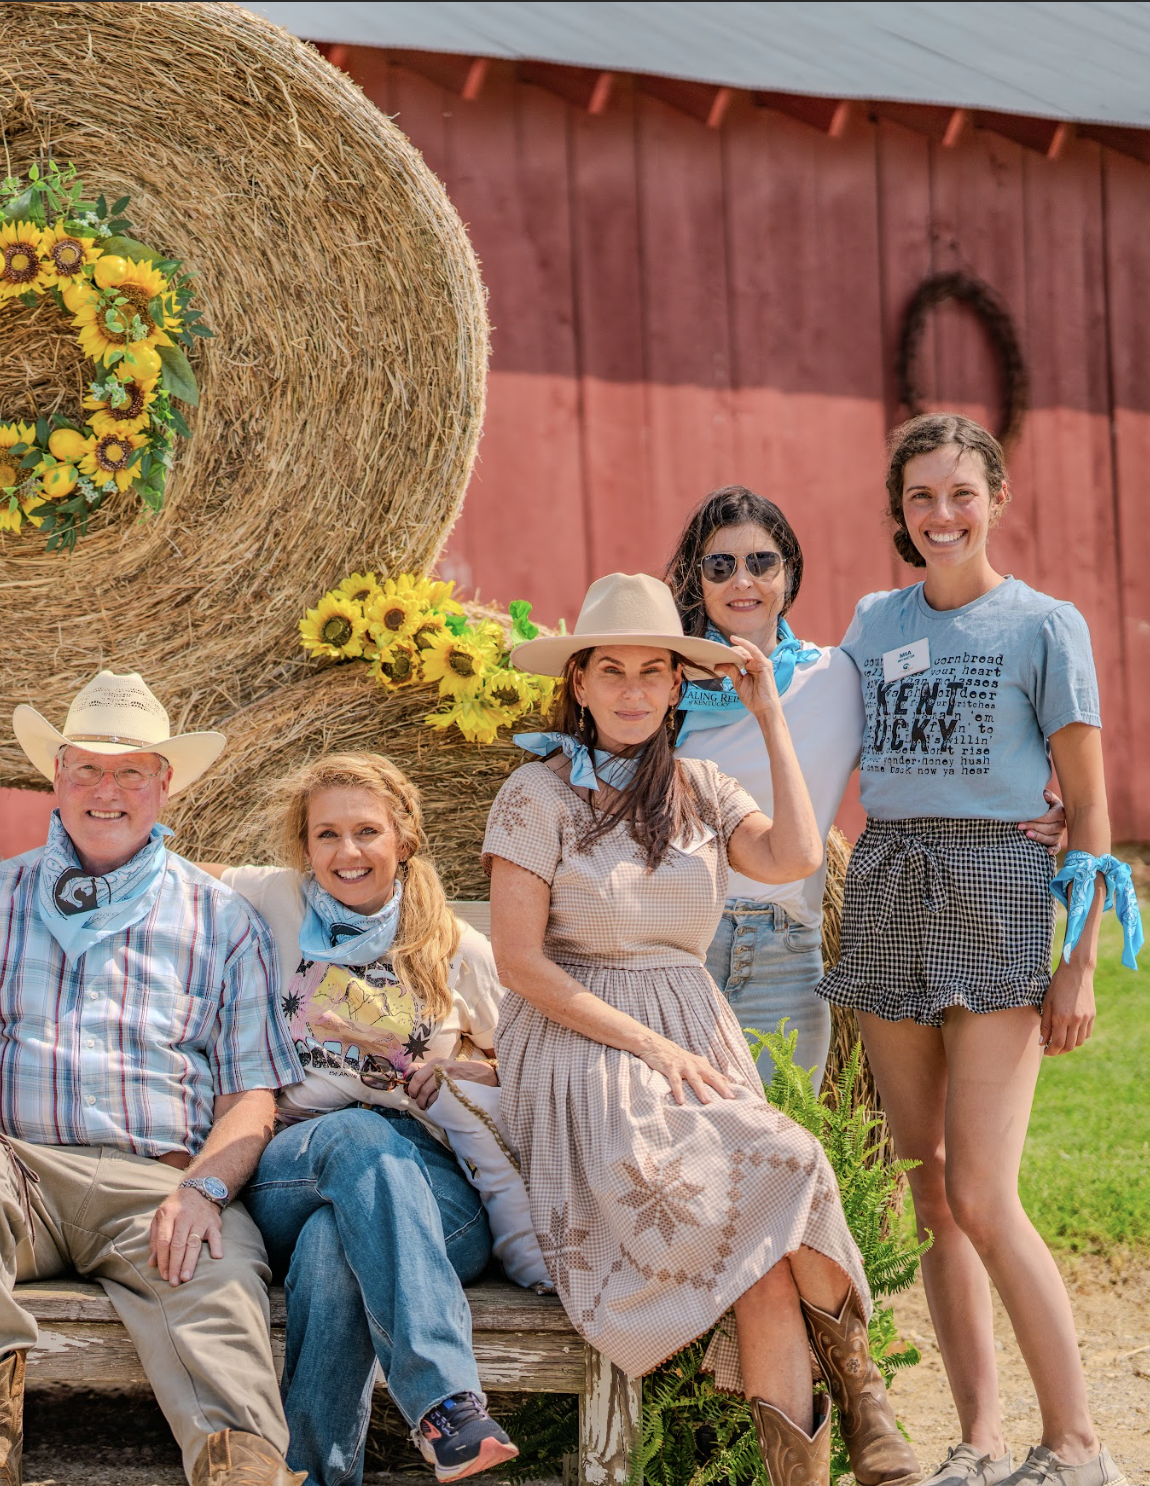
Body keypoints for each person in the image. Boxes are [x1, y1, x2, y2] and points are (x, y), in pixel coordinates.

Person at [482, 573, 918, 1486]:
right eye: (612, 671)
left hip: (693, 1033)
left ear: (680, 684)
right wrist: (647, 1046)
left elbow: (796, 857)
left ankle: (833, 1447)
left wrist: (771, 720)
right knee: (790, 1164)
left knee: (763, 1262)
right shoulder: (537, 793)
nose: (633, 689)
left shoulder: (703, 787)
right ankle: (865, 1390)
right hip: (583, 1046)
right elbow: (520, 964)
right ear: (582, 685)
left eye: (653, 670)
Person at [818, 414, 1134, 1486]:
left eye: (960, 493)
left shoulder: (1045, 626)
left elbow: (1088, 810)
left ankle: (1077, 1442)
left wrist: (1079, 959)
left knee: (986, 1195)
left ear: (994, 498)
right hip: (889, 881)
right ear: (897, 513)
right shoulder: (871, 621)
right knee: (926, 1188)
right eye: (920, 498)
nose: (941, 514)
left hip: (999, 894)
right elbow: (810, 722)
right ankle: (979, 1438)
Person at [0, 670, 305, 1486]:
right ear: (58, 777)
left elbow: (251, 1096)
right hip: (20, 1176)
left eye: (129, 771)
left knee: (218, 1287)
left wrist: (207, 1189)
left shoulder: (222, 919)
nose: (106, 790)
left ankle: (244, 1473)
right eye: (87, 768)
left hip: (160, 1186)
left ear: (164, 783)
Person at [661, 487, 1066, 1090]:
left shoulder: (839, 677)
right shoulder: (662, 685)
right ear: (699, 581)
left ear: (790, 571)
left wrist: (1033, 802)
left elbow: (925, 748)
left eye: (761, 562)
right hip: (677, 942)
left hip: (785, 949)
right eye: (720, 565)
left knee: (778, 1150)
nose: (741, 580)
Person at [202, 754, 517, 1486]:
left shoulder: (458, 954)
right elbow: (164, 865)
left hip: (434, 1200)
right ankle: (447, 1406)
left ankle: (308, 1474)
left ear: (404, 837)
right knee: (357, 1136)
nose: (348, 853)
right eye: (327, 835)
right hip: (290, 1164)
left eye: (367, 831)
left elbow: (528, 1071)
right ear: (304, 847)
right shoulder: (275, 902)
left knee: (331, 1249)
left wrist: (468, 1073)